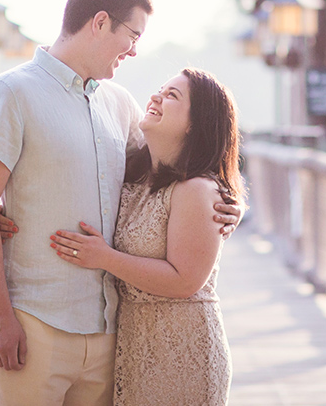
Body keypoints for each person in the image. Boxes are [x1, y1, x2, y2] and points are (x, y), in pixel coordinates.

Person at [0, 0, 240, 406]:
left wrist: (228, 206)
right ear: (100, 22)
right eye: (132, 34)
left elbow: (177, 168)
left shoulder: (121, 105)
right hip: (32, 321)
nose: (134, 50)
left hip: (111, 335)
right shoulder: (10, 93)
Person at [49, 68, 241, 406]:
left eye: (172, 96)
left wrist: (104, 257)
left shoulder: (197, 190)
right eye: (160, 89)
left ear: (195, 123)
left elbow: (185, 281)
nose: (155, 97)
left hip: (183, 351)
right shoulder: (133, 175)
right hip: (132, 347)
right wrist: (6, 211)